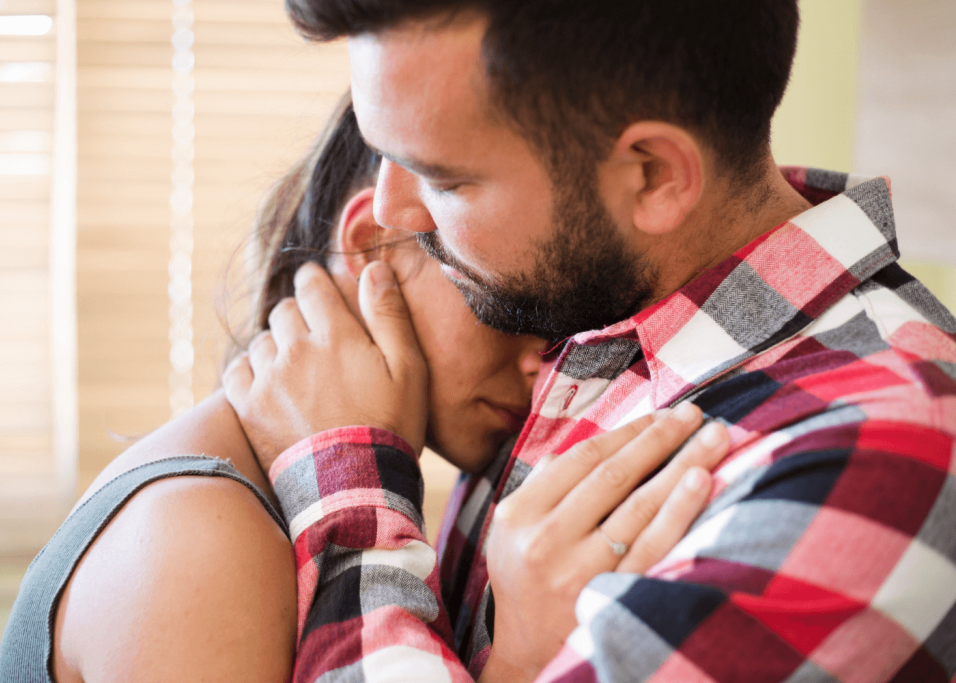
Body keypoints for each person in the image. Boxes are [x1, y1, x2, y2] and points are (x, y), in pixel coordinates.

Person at [223, 1, 956, 681]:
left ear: (653, 175)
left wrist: (346, 486)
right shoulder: (584, 315)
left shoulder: (882, 453)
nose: (390, 209)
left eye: (444, 180)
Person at [0, 94, 724, 682]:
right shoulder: (200, 538)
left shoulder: (308, 505)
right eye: (515, 308)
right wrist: (522, 666)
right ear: (378, 246)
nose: (551, 362)